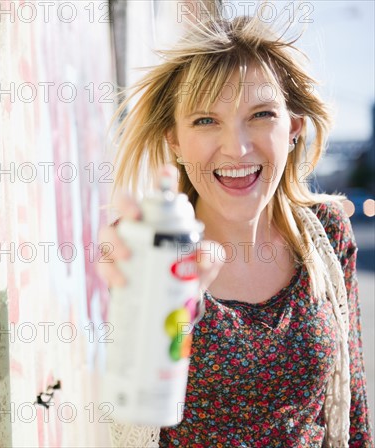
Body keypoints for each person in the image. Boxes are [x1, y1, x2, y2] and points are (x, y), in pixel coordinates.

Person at [97, 5, 374, 448]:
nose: (237, 148)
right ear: (175, 138)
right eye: (206, 120)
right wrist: (148, 314)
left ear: (294, 127)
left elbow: (353, 412)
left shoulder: (326, 235)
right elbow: (123, 423)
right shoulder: (147, 249)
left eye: (262, 114)